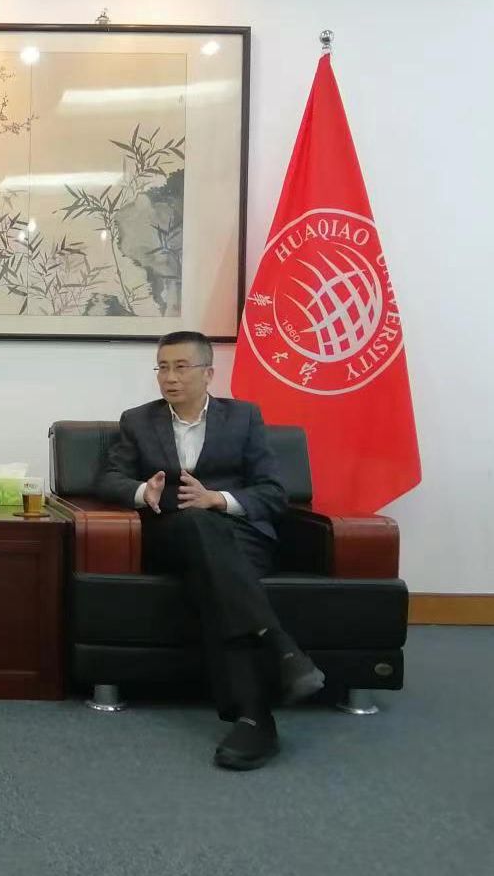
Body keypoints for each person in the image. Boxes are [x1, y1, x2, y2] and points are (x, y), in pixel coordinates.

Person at [96, 330, 325, 770]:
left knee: (214, 575)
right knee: (196, 526)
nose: (170, 377)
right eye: (163, 367)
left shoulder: (243, 418)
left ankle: (255, 717)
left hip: (239, 536)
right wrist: (144, 491)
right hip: (173, 535)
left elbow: (273, 492)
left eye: (182, 367)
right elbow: (108, 478)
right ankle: (280, 646)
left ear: (208, 373)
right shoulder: (138, 420)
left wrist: (217, 499)